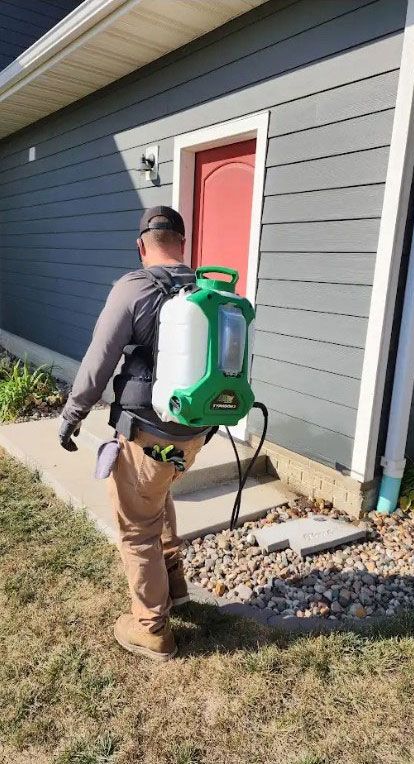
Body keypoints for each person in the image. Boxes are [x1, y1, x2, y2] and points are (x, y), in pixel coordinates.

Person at [58, 206, 208, 662]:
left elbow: (98, 359)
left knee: (137, 525)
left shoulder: (134, 287)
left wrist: (73, 413)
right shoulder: (204, 290)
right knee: (157, 496)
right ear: (182, 244)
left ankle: (151, 628)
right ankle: (176, 584)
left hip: (149, 434)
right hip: (195, 436)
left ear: (141, 246)